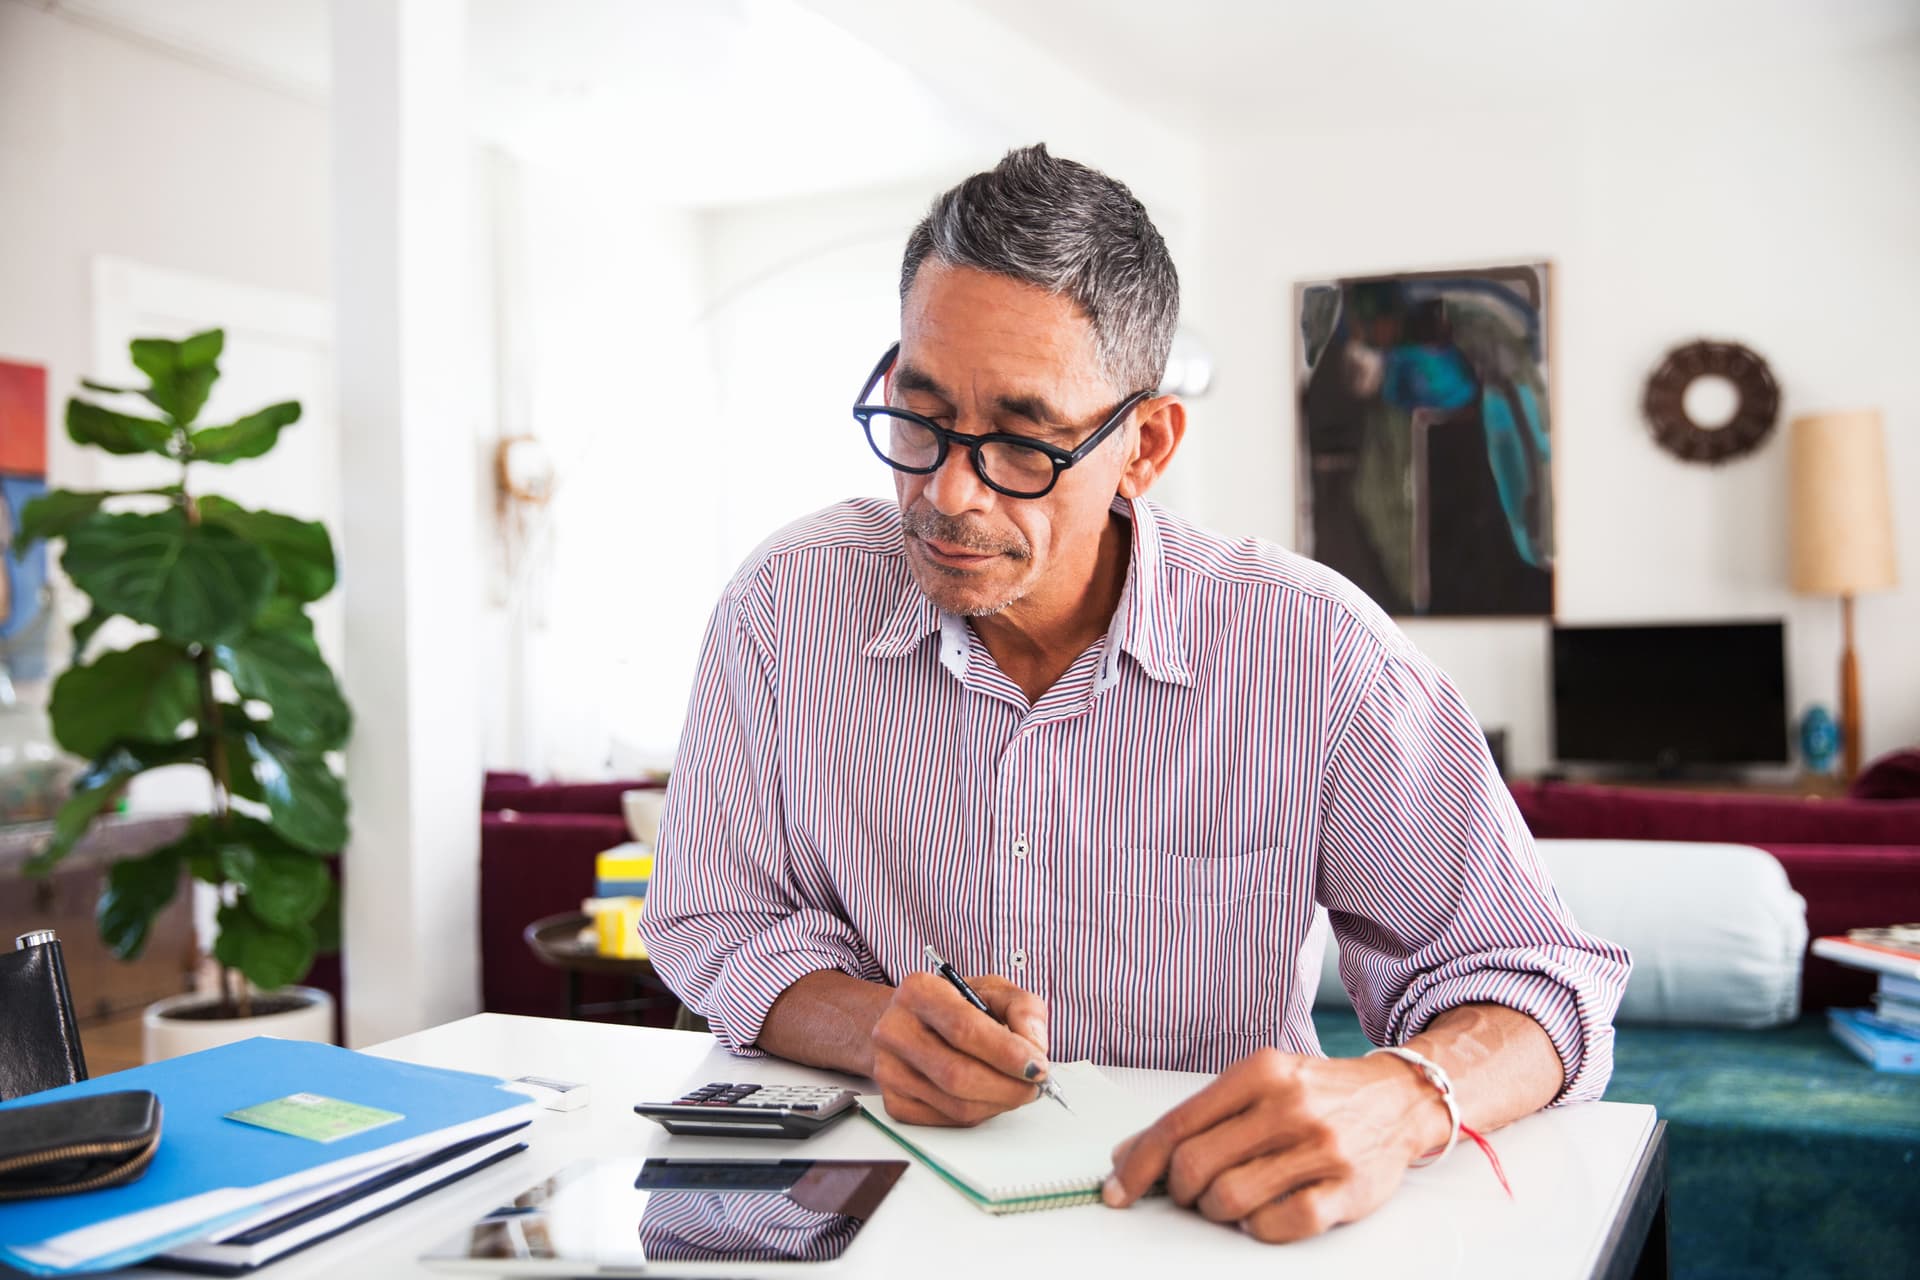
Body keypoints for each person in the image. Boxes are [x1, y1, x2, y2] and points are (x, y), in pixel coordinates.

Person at [639, 144, 1629, 1245]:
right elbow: (709, 920)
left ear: (1145, 444)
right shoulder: (783, 607)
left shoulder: (1315, 650)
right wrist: (873, 1024)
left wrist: (1399, 1096)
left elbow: (1539, 979)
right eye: (918, 414)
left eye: (1019, 439)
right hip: (864, 1222)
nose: (945, 491)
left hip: (1191, 1230)